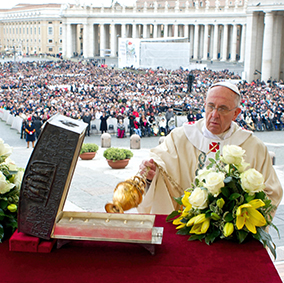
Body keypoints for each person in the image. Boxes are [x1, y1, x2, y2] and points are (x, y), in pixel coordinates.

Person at [138, 81, 283, 214]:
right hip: (184, 225)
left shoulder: (253, 146)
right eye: (211, 106)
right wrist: (151, 175)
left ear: (236, 113)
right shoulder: (180, 138)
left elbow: (271, 193)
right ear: (205, 104)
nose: (214, 115)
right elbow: (159, 169)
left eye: (223, 109)